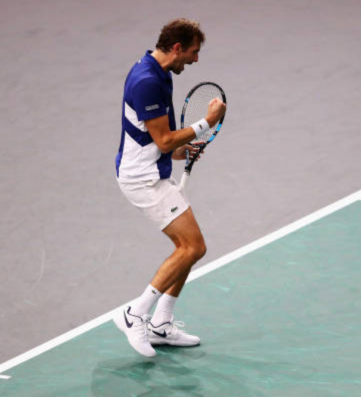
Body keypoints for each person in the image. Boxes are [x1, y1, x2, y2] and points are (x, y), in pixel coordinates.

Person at [113, 18, 226, 357]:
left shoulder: (157, 71)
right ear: (177, 48)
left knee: (187, 247)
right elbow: (163, 139)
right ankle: (135, 314)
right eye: (192, 53)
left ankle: (162, 323)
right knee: (192, 248)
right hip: (142, 180)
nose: (195, 60)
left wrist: (178, 149)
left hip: (151, 170)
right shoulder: (148, 81)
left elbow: (156, 136)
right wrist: (207, 122)